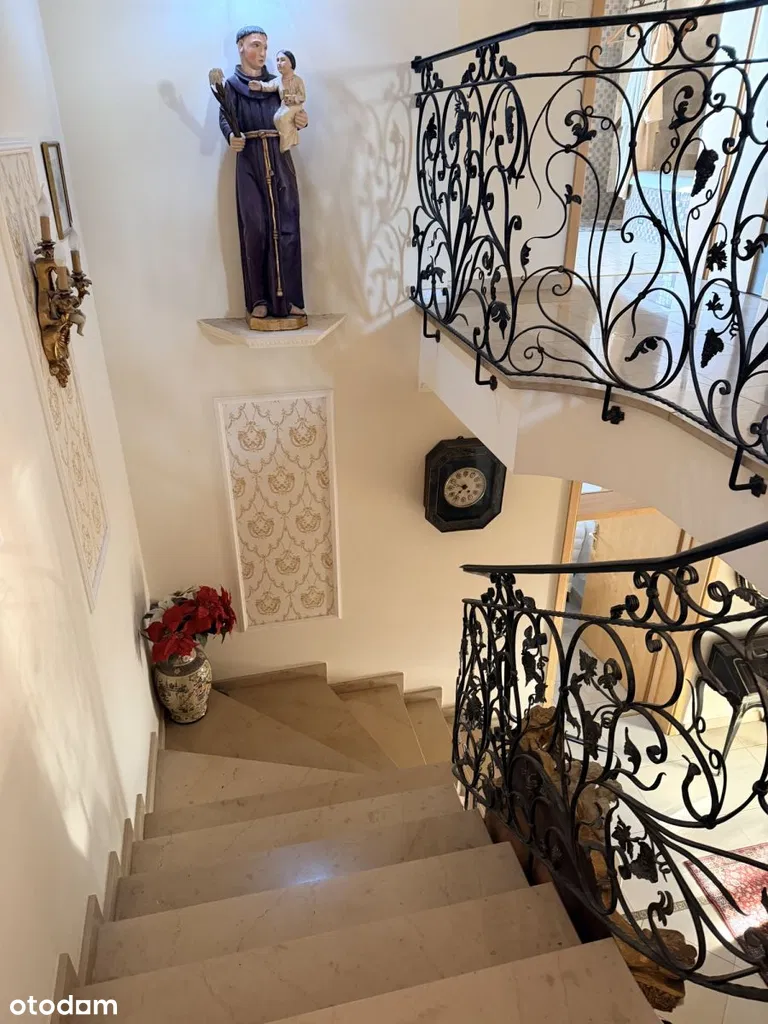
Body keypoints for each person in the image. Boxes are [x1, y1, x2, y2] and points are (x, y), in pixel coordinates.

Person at [219, 26, 307, 322]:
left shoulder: (276, 82)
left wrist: (300, 119)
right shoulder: (232, 85)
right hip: (250, 158)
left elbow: (291, 107)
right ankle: (258, 298)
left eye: (265, 47)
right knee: (255, 226)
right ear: (241, 47)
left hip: (279, 154)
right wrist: (231, 135)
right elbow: (226, 116)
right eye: (256, 45)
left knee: (288, 222)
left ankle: (289, 299)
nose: (262, 53)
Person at [250, 50, 306, 154]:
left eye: (282, 60)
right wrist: (260, 85)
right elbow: (269, 85)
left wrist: (293, 98)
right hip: (284, 105)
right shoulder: (278, 80)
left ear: (291, 63)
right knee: (277, 118)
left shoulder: (298, 80)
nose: (279, 63)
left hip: (295, 107)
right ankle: (287, 138)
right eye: (277, 60)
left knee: (283, 117)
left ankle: (286, 142)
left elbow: (302, 96)